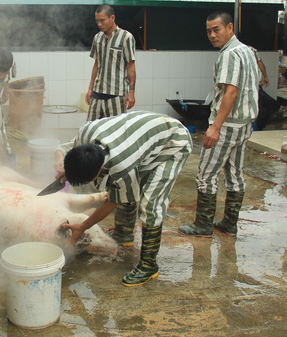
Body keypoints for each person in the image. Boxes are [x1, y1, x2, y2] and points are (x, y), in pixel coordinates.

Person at [60, 111, 192, 287]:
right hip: (145, 137)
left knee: (150, 204)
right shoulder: (87, 131)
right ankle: (124, 234)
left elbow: (112, 201)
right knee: (126, 189)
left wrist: (83, 226)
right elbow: (74, 148)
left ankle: (148, 265)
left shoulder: (122, 168)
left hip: (173, 142)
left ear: (98, 171)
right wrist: (67, 171)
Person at [178, 11, 260, 238]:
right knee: (235, 174)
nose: (212, 35)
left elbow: (230, 93)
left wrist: (215, 127)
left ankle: (203, 225)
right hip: (244, 124)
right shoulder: (247, 51)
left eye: (217, 29)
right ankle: (229, 223)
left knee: (206, 175)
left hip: (227, 126)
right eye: (209, 31)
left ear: (230, 28)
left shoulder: (230, 54)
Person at [85, 4, 136, 121]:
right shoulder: (97, 38)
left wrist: (131, 92)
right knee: (91, 130)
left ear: (112, 18)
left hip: (116, 95)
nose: (99, 24)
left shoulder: (126, 37)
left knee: (115, 133)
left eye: (102, 20)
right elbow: (96, 64)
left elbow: (131, 65)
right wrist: (90, 89)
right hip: (97, 93)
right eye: (97, 21)